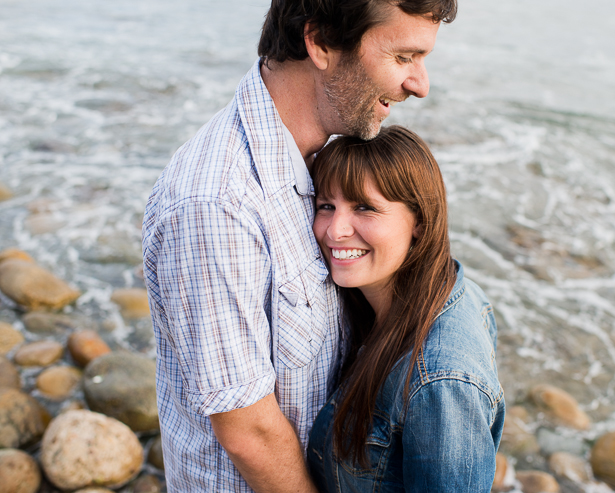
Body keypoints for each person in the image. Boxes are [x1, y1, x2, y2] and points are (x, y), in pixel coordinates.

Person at [141, 0, 457, 491]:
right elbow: (249, 431)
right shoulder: (217, 204)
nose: (419, 84)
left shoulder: (317, 166)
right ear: (321, 43)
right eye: (402, 57)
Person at [307, 125, 505, 492]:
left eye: (364, 207)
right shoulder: (444, 286)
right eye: (326, 206)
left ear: (419, 222)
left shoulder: (441, 383)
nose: (335, 231)